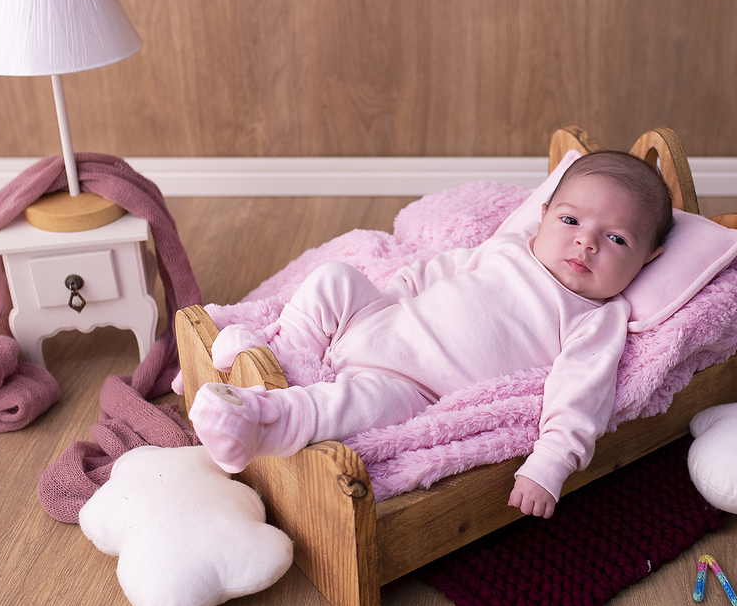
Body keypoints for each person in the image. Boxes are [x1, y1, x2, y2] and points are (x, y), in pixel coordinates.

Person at [189, 150, 673, 518]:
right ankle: (280, 351)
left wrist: (551, 462)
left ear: (647, 259)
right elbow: (436, 271)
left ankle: (260, 422)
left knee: (351, 406)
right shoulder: (511, 246)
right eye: (570, 220)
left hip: (411, 385)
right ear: (544, 213)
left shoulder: (598, 317)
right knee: (334, 278)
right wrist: (390, 297)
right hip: (381, 321)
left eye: (616, 238)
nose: (586, 241)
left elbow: (582, 393)